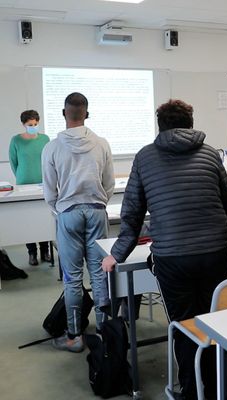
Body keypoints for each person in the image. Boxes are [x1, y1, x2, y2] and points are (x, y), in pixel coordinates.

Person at [101, 99, 227, 400]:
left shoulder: (144, 157)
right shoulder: (209, 153)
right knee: (213, 321)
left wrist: (117, 255)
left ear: (159, 125)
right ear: (190, 123)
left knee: (184, 326)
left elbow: (132, 214)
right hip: (215, 252)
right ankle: (218, 389)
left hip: (173, 258)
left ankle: (192, 393)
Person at [42, 92, 114, 353]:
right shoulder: (102, 143)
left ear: (64, 114)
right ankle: (106, 333)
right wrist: (98, 202)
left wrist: (59, 210)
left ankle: (74, 336)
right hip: (96, 210)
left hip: (68, 213)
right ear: (87, 113)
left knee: (72, 278)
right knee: (99, 273)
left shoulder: (51, 147)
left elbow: (49, 190)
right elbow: (109, 183)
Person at [9, 109, 51, 266]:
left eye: (35, 124)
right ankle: (32, 252)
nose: (33, 126)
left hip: (43, 183)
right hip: (24, 184)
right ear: (23, 124)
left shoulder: (45, 139)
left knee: (43, 217)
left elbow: (49, 159)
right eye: (29, 124)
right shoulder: (16, 140)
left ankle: (45, 250)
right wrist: (21, 176)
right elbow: (13, 162)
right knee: (28, 220)